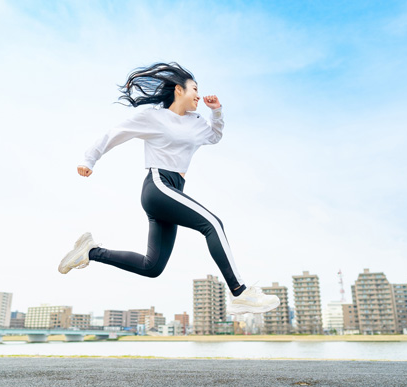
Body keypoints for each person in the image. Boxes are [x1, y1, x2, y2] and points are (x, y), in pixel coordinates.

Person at [58, 62, 279, 314]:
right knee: (213, 224)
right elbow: (115, 133)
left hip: (174, 191)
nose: (198, 95)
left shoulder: (197, 123)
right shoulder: (153, 117)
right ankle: (240, 292)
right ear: (178, 90)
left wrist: (217, 112)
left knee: (152, 267)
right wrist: (89, 159)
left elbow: (214, 136)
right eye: (194, 89)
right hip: (158, 186)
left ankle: (91, 251)